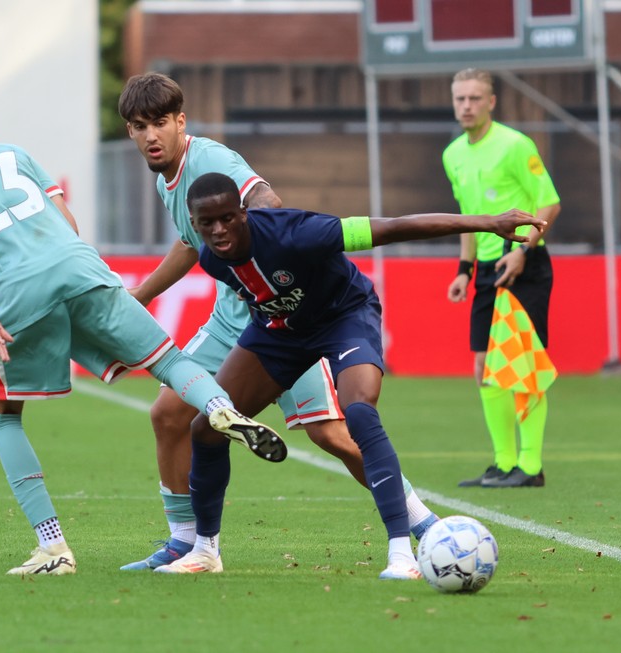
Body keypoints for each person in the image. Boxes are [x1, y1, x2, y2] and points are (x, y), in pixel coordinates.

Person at [0, 90, 287, 576]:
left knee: (3, 417)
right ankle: (219, 407)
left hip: (19, 290)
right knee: (168, 362)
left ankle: (53, 547)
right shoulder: (13, 154)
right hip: (85, 268)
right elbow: (66, 222)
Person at [116, 73, 439, 570]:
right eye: (140, 126)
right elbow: (190, 244)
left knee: (330, 435)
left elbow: (266, 202)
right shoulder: (167, 178)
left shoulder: (212, 161)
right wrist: (141, 294)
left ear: (181, 122)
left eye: (160, 123)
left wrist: (275, 262)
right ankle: (187, 543)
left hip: (279, 316)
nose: (151, 135)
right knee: (168, 415)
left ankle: (422, 523)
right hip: (230, 320)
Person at [153, 172, 545, 577]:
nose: (219, 230)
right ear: (193, 221)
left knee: (358, 412)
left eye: (228, 218)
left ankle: (401, 554)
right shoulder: (210, 259)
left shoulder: (299, 233)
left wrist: (487, 222)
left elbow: (394, 228)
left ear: (244, 212)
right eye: (207, 222)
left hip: (346, 316)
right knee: (206, 428)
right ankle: (205, 551)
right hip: (281, 331)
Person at [443, 68, 562, 488]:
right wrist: (463, 270)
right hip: (487, 272)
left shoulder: (515, 145)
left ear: (491, 102)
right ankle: (502, 463)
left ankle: (530, 467)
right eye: (460, 99)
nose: (466, 106)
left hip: (525, 266)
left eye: (475, 98)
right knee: (483, 367)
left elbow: (549, 204)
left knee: (523, 366)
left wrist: (523, 250)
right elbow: (468, 221)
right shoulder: (453, 154)